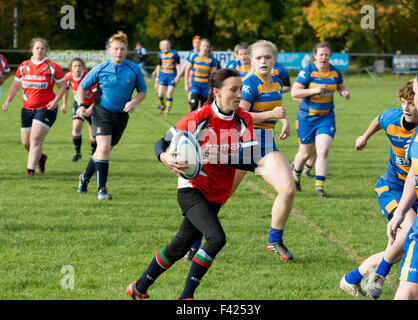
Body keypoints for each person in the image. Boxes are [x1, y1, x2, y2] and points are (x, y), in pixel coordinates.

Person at [126, 68, 259, 300]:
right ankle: (186, 298)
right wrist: (164, 157)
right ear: (217, 92)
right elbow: (161, 143)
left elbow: (251, 161)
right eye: (233, 90)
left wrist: (219, 157)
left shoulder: (244, 119)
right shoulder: (199, 117)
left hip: (217, 194)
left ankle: (138, 288)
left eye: (240, 89)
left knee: (178, 247)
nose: (239, 95)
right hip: (192, 189)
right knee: (216, 238)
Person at [340, 80, 418, 298]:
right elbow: (379, 119)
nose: (407, 107)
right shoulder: (393, 118)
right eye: (404, 102)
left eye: (412, 103)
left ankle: (352, 279)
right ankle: (379, 275)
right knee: (410, 233)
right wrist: (364, 138)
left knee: (403, 246)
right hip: (392, 187)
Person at [230, 40, 296, 261]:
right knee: (218, 198)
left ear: (274, 59)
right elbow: (240, 116)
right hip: (242, 145)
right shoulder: (249, 84)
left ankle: (274, 240)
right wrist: (271, 116)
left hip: (267, 143)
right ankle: (193, 242)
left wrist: (284, 121)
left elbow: (274, 109)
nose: (263, 61)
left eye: (268, 57)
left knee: (288, 189)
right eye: (259, 58)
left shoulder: (276, 81)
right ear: (251, 60)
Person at [76, 31, 146, 200]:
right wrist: (80, 105)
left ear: (126, 50)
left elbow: (142, 91)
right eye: (115, 49)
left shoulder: (133, 68)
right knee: (104, 148)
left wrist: (134, 102)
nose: (119, 52)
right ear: (109, 50)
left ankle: (84, 177)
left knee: (103, 151)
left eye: (122, 49)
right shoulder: (101, 68)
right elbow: (81, 87)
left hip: (121, 116)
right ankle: (102, 189)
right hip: (101, 112)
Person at [387, 65, 418, 300]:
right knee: (405, 296)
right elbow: (415, 171)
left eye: (415, 92)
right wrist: (400, 213)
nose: (411, 97)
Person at [291, 41, 350, 198]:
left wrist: (344, 92)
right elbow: (294, 93)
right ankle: (295, 176)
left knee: (323, 150)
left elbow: (341, 86)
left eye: (327, 55)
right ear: (315, 56)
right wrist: (314, 90)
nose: (324, 57)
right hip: (307, 118)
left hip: (326, 117)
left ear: (330, 56)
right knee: (305, 153)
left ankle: (319, 187)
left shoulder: (335, 72)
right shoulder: (308, 71)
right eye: (321, 54)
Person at [2, 38, 65, 176]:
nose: (40, 50)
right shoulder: (24, 66)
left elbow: (62, 87)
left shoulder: (52, 67)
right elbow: (15, 85)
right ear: (32, 49)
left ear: (46, 51)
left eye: (43, 48)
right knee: (26, 142)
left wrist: (55, 101)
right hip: (27, 109)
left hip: (46, 108)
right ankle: (40, 158)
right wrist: (8, 100)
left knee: (35, 139)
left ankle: (30, 171)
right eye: (37, 48)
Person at [61, 58, 98, 162]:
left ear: (83, 67)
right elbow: (65, 89)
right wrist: (64, 104)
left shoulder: (89, 77)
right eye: (75, 66)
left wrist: (90, 109)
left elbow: (98, 96)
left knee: (93, 130)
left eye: (79, 66)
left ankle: (94, 153)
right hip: (78, 105)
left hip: (92, 105)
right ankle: (78, 153)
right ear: (71, 68)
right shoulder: (68, 77)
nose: (77, 68)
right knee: (76, 127)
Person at [184, 38, 217, 112]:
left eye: (207, 46)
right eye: (203, 46)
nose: (205, 48)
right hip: (195, 84)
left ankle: (200, 123)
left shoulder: (212, 59)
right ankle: (191, 123)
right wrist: (186, 84)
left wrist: (212, 87)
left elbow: (214, 75)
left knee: (204, 109)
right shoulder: (194, 56)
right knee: (194, 104)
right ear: (200, 47)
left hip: (206, 86)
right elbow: (187, 69)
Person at [155, 39, 180, 115]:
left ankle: (167, 110)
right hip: (162, 76)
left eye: (167, 44)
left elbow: (178, 65)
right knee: (160, 94)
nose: (166, 46)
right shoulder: (160, 54)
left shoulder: (174, 53)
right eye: (164, 45)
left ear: (170, 45)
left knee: (169, 93)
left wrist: (178, 76)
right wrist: (157, 77)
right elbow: (159, 66)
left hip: (172, 77)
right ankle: (162, 105)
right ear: (161, 46)